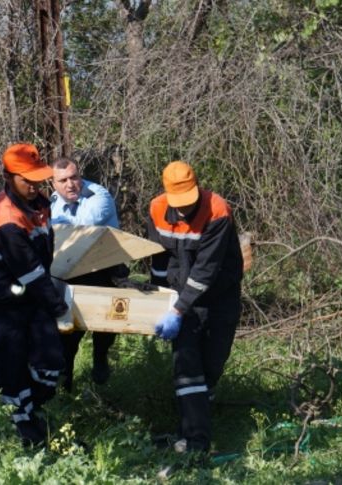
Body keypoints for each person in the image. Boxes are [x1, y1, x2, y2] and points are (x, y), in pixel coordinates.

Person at [0, 143, 69, 447]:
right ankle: (25, 433)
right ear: (8, 176)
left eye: (37, 178)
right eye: (26, 179)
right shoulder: (5, 219)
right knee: (11, 372)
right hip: (0, 303)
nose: (34, 185)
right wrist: (59, 306)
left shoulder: (40, 203)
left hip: (28, 297)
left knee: (51, 364)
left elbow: (43, 259)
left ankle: (31, 412)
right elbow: (31, 273)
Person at [147, 160, 243, 454]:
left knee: (211, 367)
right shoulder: (156, 209)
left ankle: (188, 432)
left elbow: (205, 271)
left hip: (219, 297)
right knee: (188, 369)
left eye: (189, 202)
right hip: (180, 299)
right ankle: (196, 444)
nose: (185, 210)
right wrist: (160, 298)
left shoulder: (217, 211)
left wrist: (176, 311)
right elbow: (160, 259)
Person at [50, 157, 127, 389]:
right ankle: (65, 387)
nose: (70, 184)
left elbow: (81, 232)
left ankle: (100, 356)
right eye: (63, 180)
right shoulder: (52, 202)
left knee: (105, 323)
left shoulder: (99, 196)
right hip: (72, 267)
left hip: (104, 265)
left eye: (74, 177)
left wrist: (55, 227)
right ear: (53, 183)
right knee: (67, 334)